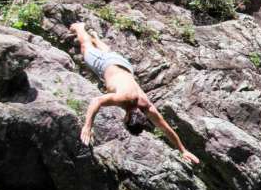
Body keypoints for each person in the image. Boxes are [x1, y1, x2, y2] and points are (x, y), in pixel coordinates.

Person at [69, 22, 200, 164]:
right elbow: (96, 101)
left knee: (106, 53)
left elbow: (166, 129)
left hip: (125, 65)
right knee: (86, 48)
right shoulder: (123, 99)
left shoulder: (146, 106)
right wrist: (88, 126)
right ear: (126, 119)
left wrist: (183, 150)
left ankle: (96, 39)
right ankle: (79, 27)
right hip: (107, 64)